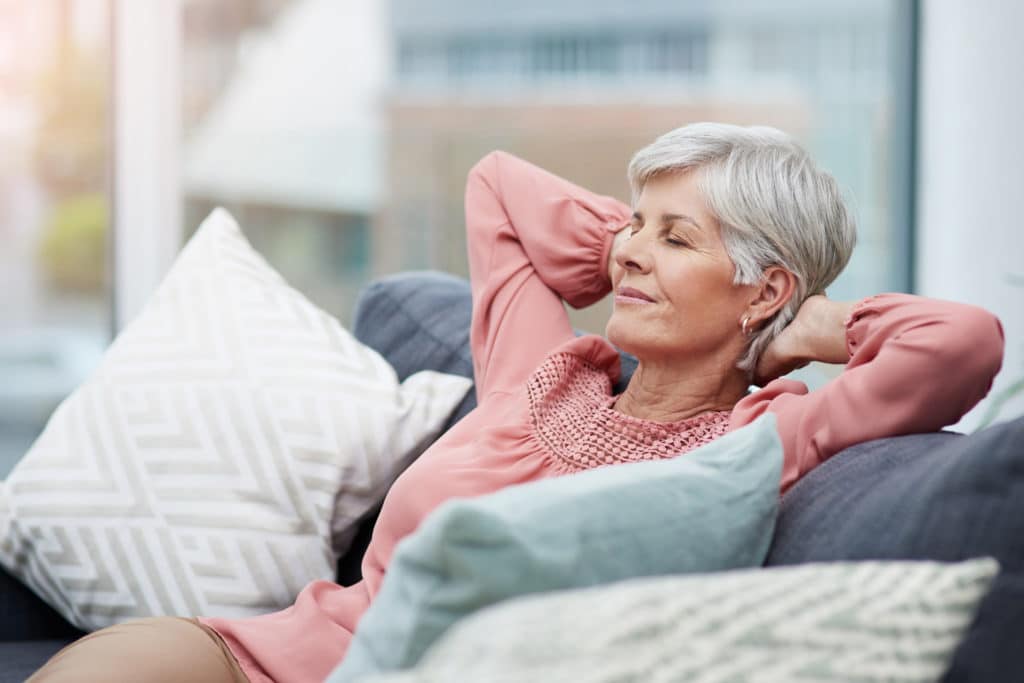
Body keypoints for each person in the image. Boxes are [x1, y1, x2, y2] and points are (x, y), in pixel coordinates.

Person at [30, 123, 1004, 682]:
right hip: (256, 656)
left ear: (761, 286)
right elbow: (499, 186)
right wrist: (643, 238)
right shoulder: (543, 361)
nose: (626, 251)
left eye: (675, 237)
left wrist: (804, 325)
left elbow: (961, 343)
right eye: (631, 224)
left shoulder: (767, 434)